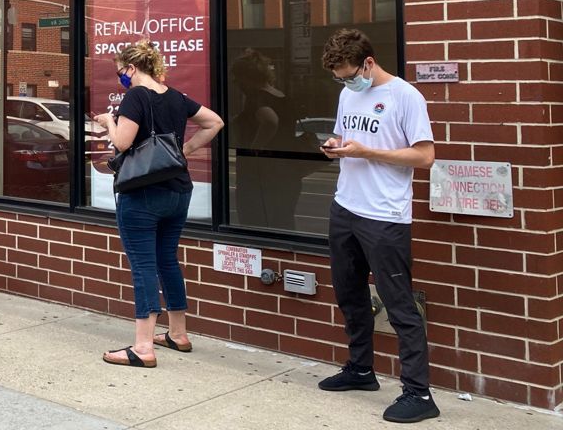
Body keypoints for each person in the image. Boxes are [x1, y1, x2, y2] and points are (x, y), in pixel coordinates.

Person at [317, 29, 438, 424]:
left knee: (399, 304)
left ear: (368, 62)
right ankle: (361, 369)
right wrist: (334, 145)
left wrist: (368, 151)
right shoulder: (347, 93)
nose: (346, 82)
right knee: (349, 294)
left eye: (350, 74)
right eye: (340, 77)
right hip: (345, 205)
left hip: (385, 215)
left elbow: (424, 157)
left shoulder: (405, 96)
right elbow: (344, 134)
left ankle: (419, 393)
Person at [94, 41, 223, 368]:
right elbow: (215, 122)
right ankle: (178, 333)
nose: (121, 78)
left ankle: (142, 346)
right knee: (167, 260)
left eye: (121, 72)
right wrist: (186, 151)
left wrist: (108, 121)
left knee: (143, 266)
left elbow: (122, 142)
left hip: (142, 193)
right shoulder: (176, 97)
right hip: (178, 191)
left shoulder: (136, 96)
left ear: (132, 69)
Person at [230, 48, 305, 230]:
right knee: (283, 222)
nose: (236, 83)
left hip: (262, 173)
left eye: (237, 78)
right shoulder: (282, 96)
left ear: (246, 77)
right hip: (287, 172)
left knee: (256, 224)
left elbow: (270, 121)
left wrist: (255, 149)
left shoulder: (257, 98)